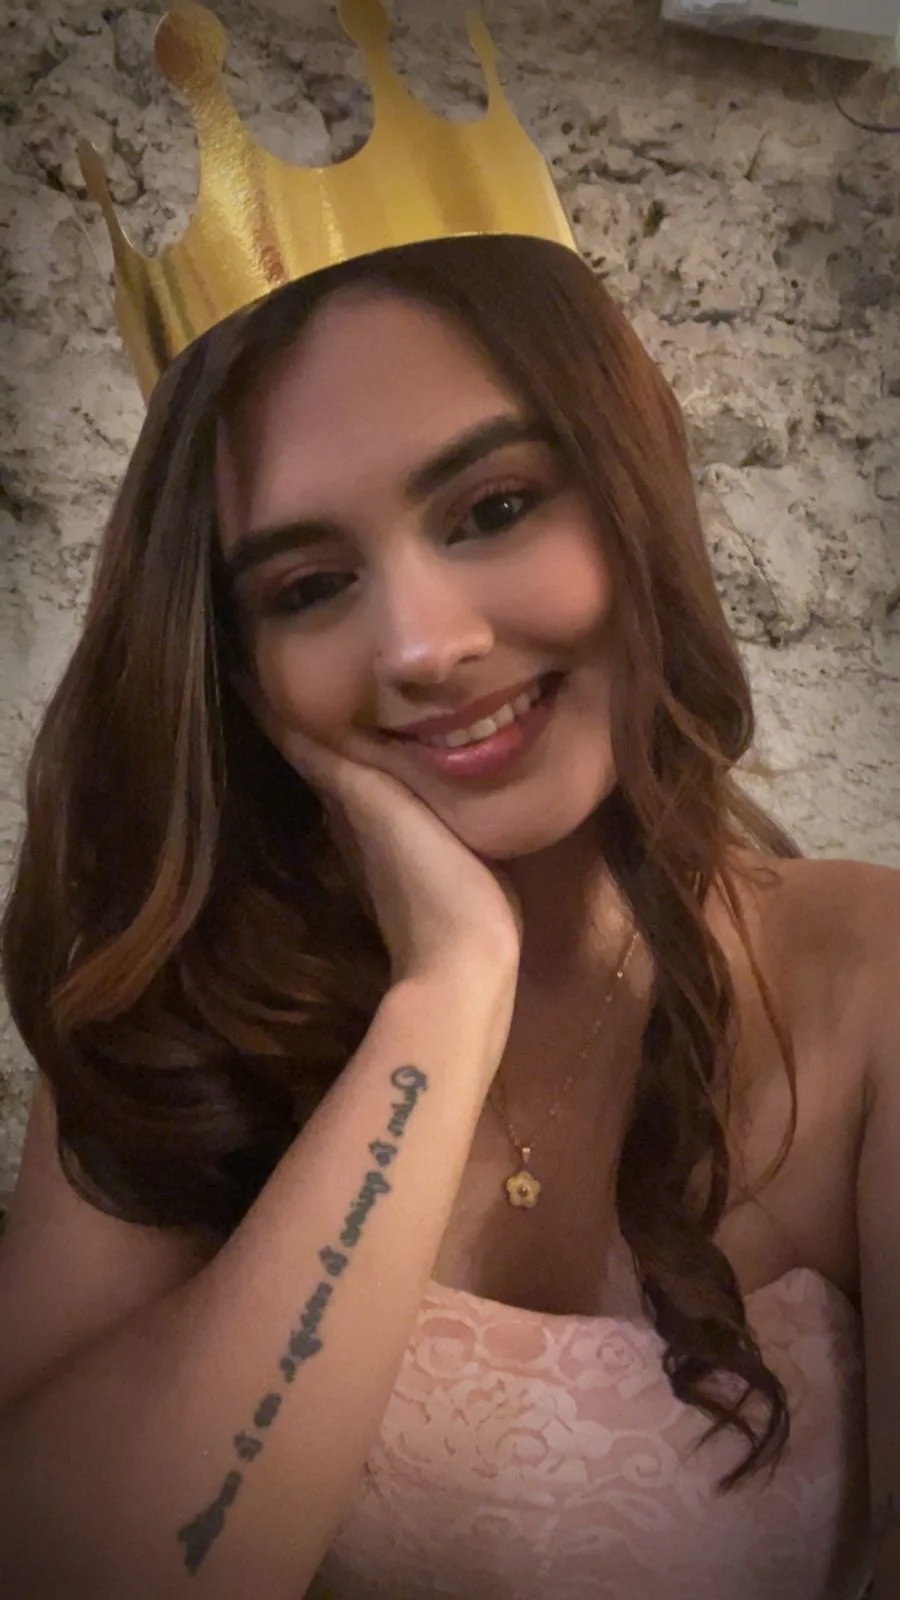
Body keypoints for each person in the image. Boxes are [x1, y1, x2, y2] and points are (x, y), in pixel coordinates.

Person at [0, 6, 897, 1600]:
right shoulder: (168, 1011)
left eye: (493, 506)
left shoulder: (871, 981)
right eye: (308, 585)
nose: (421, 645)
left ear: (634, 501)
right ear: (235, 663)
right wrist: (443, 1002)